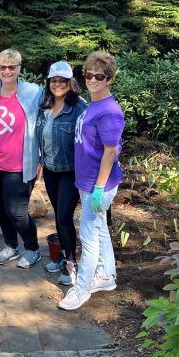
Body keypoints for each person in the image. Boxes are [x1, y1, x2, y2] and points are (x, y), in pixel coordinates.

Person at [59, 51, 125, 310]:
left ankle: (82, 287)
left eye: (100, 76)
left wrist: (98, 188)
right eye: (89, 74)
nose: (93, 79)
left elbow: (110, 151)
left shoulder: (109, 111)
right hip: (88, 182)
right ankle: (106, 276)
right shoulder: (93, 103)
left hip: (99, 185)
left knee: (88, 235)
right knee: (97, 229)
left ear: (109, 79)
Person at [0, 49, 43, 268]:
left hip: (20, 164)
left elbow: (55, 105)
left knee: (17, 211)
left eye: (12, 67)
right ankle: (11, 246)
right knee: (1, 207)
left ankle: (33, 249)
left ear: (19, 69)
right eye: (3, 67)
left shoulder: (33, 92)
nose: (7, 71)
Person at [36, 61, 87, 285]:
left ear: (70, 83)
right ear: (49, 83)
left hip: (70, 171)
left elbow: (89, 140)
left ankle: (70, 261)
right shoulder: (45, 107)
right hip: (50, 170)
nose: (58, 84)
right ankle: (61, 255)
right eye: (54, 81)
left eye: (62, 81)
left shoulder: (79, 107)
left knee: (65, 217)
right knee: (58, 215)